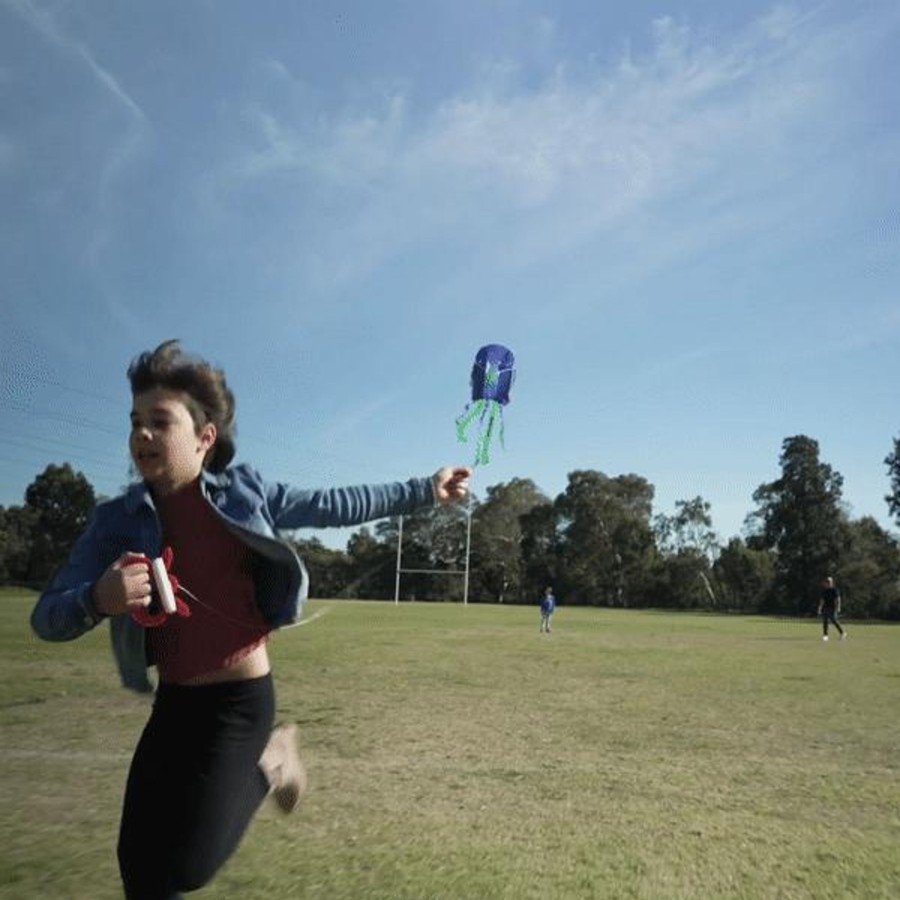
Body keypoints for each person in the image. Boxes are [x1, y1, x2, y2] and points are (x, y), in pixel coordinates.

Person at [30, 340, 471, 900]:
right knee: (140, 870)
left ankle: (272, 759)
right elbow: (47, 617)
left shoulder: (247, 493)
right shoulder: (115, 522)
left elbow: (334, 503)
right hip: (174, 706)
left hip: (239, 707)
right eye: (135, 422)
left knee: (187, 868)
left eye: (159, 421)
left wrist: (424, 490)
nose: (142, 434)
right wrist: (97, 597)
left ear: (204, 436)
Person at [817, 576, 846, 642]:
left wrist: (838, 607)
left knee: (834, 620)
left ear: (832, 583)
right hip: (825, 607)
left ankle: (842, 633)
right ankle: (825, 635)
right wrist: (820, 607)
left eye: (829, 582)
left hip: (833, 607)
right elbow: (822, 600)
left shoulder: (834, 590)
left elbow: (838, 599)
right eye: (827, 582)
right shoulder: (824, 591)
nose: (828, 583)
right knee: (825, 621)